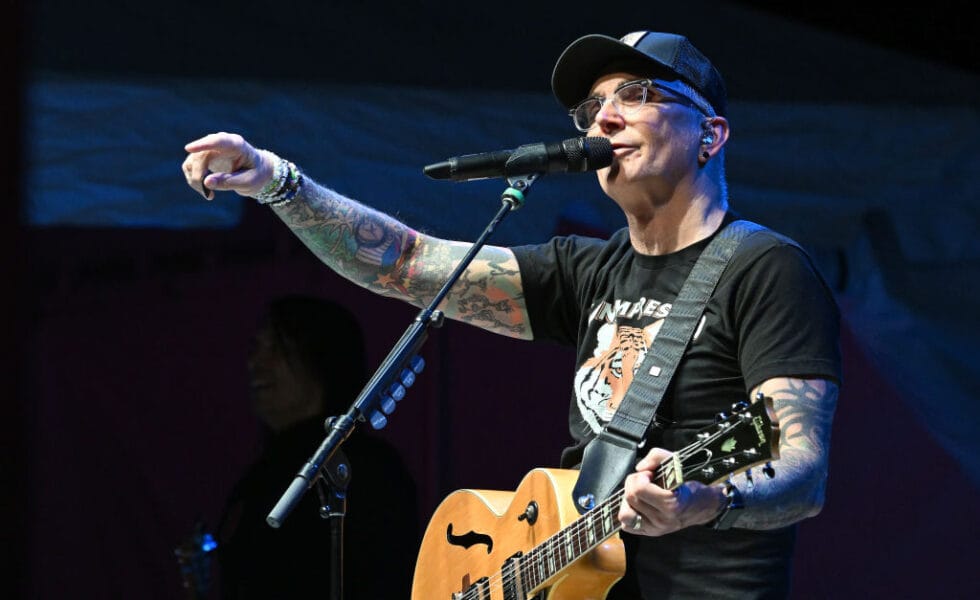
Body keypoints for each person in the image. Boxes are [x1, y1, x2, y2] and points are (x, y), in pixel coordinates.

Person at [182, 31, 841, 599]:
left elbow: (800, 467)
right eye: (591, 107)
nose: (603, 119)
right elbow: (407, 264)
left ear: (711, 133)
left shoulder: (765, 269)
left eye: (636, 94)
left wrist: (711, 499)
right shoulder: (587, 270)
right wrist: (275, 181)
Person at [212, 295, 420, 599]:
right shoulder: (259, 476)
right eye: (256, 348)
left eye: (277, 348)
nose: (256, 364)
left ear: (318, 355)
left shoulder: (369, 469)